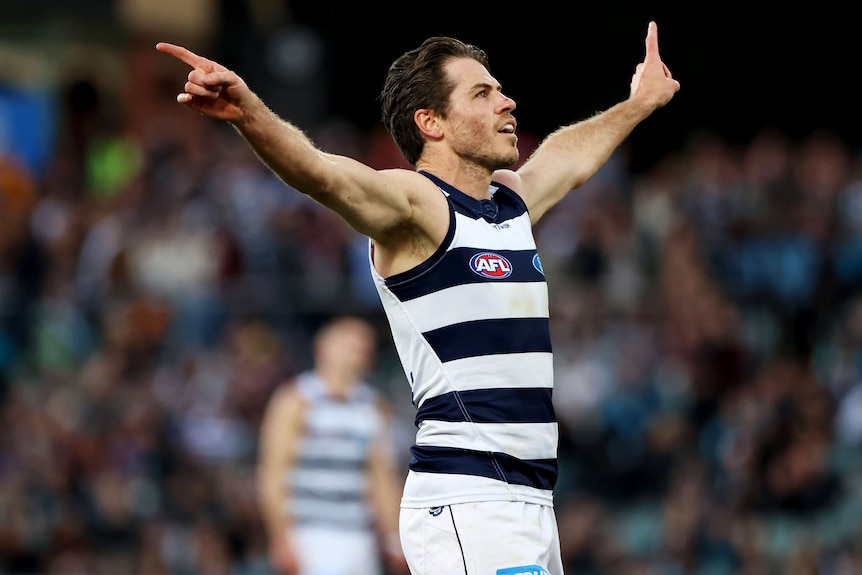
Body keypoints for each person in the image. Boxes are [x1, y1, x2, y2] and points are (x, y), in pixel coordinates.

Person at [158, 21, 679, 575]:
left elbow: (567, 157)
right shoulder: (418, 206)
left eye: (499, 90)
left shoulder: (510, 204)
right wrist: (249, 112)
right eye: (482, 93)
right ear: (430, 123)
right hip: (471, 502)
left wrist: (638, 103)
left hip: (528, 502)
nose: (507, 102)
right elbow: (323, 175)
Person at [256, 314, 408, 575]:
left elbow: (381, 477)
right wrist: (280, 537)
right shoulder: (296, 401)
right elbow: (273, 474)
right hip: (311, 535)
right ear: (323, 346)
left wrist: (394, 535)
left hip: (359, 536)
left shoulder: (372, 406)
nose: (358, 348)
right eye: (349, 340)